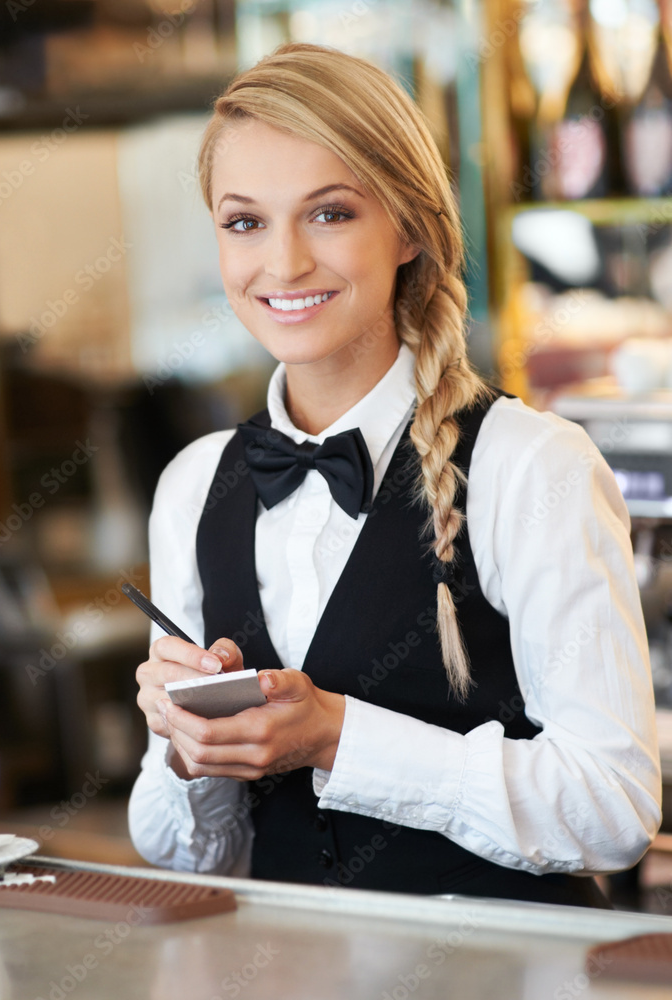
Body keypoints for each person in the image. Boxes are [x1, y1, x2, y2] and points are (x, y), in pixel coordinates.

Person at [127, 43, 661, 907]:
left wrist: (338, 737)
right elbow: (185, 854)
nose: (283, 263)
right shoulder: (193, 484)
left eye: (329, 214)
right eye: (244, 222)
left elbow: (614, 809)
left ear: (407, 226)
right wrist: (192, 749)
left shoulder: (533, 467)